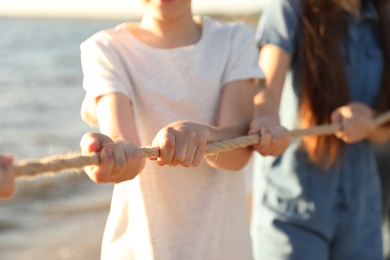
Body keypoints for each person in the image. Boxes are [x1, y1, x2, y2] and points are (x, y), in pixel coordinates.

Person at [78, 0, 264, 259]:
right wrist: (109, 156)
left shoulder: (235, 40)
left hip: (222, 247)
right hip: (140, 247)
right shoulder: (105, 48)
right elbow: (122, 141)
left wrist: (204, 135)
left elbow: (237, 153)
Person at [249, 0, 390, 259]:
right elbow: (265, 95)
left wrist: (368, 118)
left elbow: (384, 129)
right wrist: (265, 123)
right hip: (292, 211)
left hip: (363, 215)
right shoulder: (289, 9)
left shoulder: (383, 16)